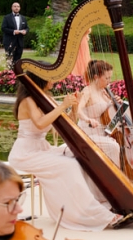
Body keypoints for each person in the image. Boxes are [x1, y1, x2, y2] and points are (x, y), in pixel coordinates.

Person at [8, 78, 126, 230]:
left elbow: (65, 122)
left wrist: (74, 108)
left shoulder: (45, 98)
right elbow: (40, 123)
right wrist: (63, 105)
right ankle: (88, 214)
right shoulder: (28, 100)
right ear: (40, 80)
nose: (54, 80)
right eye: (49, 77)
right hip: (25, 153)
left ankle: (97, 204)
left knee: (78, 158)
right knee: (69, 166)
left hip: (43, 148)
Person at [76, 59, 125, 166]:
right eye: (107, 78)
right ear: (96, 77)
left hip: (104, 132)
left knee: (122, 144)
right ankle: (115, 177)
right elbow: (78, 110)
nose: (109, 81)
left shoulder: (104, 91)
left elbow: (108, 114)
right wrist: (88, 119)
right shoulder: (87, 91)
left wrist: (117, 104)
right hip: (88, 133)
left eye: (110, 78)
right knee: (114, 146)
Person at [1, 3, 30, 70]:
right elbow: (3, 28)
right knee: (9, 58)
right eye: (15, 6)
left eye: (18, 6)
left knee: (18, 58)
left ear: (20, 8)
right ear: (12, 8)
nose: (16, 8)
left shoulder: (23, 18)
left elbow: (27, 28)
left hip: (19, 41)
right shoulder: (7, 17)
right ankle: (10, 73)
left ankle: (17, 72)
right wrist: (13, 31)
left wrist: (25, 31)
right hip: (9, 41)